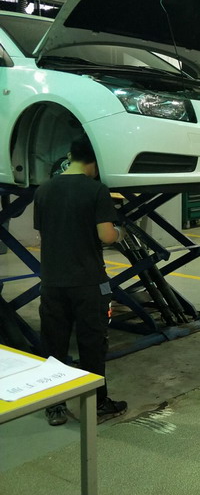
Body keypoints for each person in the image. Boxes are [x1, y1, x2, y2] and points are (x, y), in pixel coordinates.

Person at [34, 134, 128, 426]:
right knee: (92, 345)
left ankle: (55, 406)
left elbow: (44, 233)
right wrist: (121, 232)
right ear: (95, 160)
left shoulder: (44, 190)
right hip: (88, 283)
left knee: (54, 346)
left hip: (52, 282)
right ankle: (97, 404)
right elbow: (106, 235)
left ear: (70, 157)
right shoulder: (96, 190)